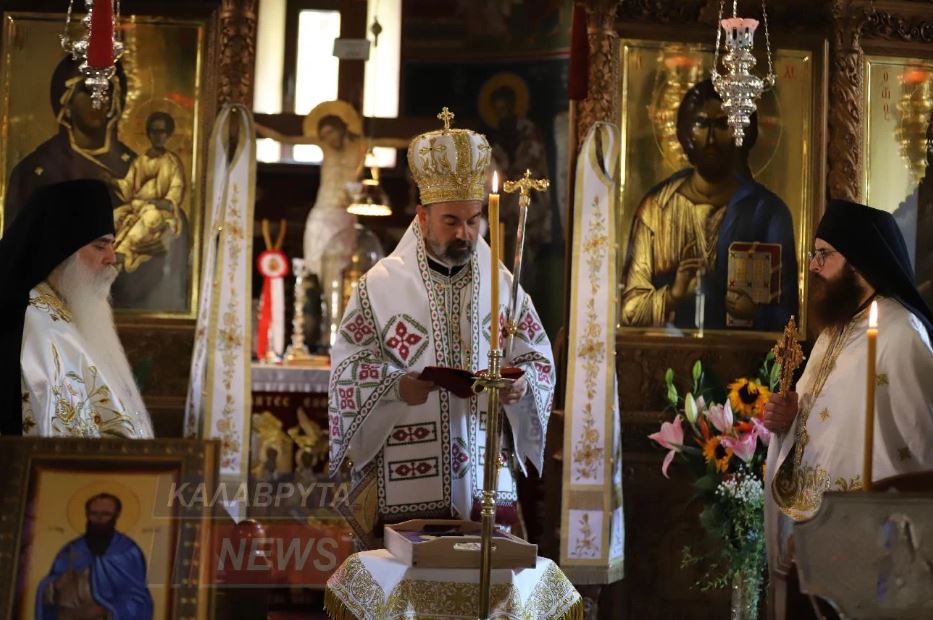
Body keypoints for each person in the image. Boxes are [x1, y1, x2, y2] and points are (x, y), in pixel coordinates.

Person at [327, 110, 555, 545]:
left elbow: (537, 358)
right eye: (451, 221)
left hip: (486, 480)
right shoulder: (380, 286)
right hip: (400, 482)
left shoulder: (504, 286)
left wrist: (523, 386)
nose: (464, 234)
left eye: (473, 220)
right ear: (423, 217)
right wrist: (397, 386)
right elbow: (347, 369)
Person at [763, 199, 933, 617]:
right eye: (814, 253)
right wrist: (788, 418)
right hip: (816, 533)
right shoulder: (834, 330)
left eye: (824, 254)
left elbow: (922, 442)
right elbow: (820, 420)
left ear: (858, 261)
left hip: (874, 543)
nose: (813, 265)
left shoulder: (902, 334)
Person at [620, 79, 798, 331]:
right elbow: (629, 311)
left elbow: (792, 319)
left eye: (723, 124)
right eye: (702, 124)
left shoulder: (768, 212)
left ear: (743, 133)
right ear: (685, 133)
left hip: (746, 354)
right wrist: (674, 295)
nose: (711, 139)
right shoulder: (656, 208)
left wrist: (756, 312)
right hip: (668, 349)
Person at [0, 179, 154, 438]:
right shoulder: (39, 324)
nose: (111, 258)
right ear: (62, 250)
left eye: (112, 245)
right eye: (100, 246)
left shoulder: (66, 310)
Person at [4, 56, 135, 229]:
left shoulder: (134, 167)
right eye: (87, 89)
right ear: (67, 101)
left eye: (105, 89)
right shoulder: (35, 172)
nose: (97, 99)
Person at [37, 492, 154, 620]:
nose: (99, 518)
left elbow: (138, 599)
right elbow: (49, 589)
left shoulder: (128, 551)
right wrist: (54, 586)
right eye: (93, 513)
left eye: (106, 514)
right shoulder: (71, 549)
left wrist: (107, 610)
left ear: (117, 515)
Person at [112, 111, 187, 273]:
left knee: (149, 217)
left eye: (162, 132)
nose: (158, 136)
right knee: (115, 216)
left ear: (168, 134)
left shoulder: (172, 162)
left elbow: (175, 192)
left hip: (160, 211)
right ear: (148, 133)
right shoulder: (140, 161)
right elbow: (128, 186)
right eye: (154, 131)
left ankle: (124, 253)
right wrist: (112, 182)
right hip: (136, 207)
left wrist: (158, 203)